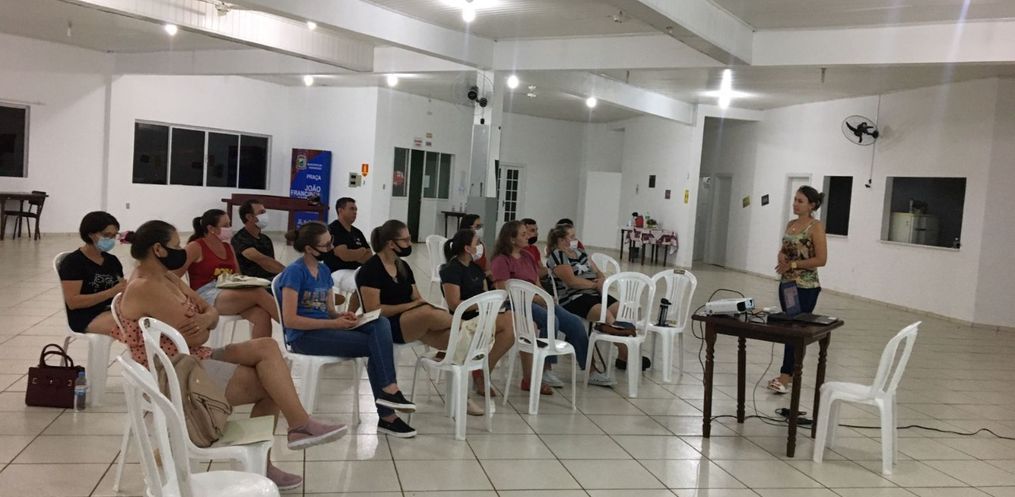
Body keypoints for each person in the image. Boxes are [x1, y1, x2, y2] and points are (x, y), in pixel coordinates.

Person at [116, 220, 348, 490]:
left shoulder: (166, 277)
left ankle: (299, 424)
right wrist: (205, 320)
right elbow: (196, 335)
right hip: (176, 371)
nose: (181, 251)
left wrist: (206, 318)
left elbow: (208, 312)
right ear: (158, 249)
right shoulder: (144, 286)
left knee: (267, 347)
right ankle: (274, 454)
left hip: (192, 356)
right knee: (272, 384)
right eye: (176, 246)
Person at [279, 222, 417, 437]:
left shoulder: (323, 270)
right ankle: (388, 410)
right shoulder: (294, 273)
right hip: (304, 337)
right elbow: (290, 320)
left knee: (380, 323)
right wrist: (332, 323)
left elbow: (329, 311)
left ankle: (389, 396)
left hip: (326, 330)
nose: (331, 248)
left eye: (331, 242)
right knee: (377, 345)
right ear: (309, 249)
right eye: (326, 245)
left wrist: (341, 317)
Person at [490, 220, 614, 394]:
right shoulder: (501, 260)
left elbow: (536, 283)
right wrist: (536, 298)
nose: (528, 237)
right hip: (516, 302)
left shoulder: (527, 257)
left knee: (574, 323)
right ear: (511, 239)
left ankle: (590, 370)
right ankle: (546, 369)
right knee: (551, 320)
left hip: (535, 299)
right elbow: (504, 291)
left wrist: (545, 297)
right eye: (523, 234)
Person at [546, 224, 650, 372]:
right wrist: (594, 285)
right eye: (572, 237)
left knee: (623, 311)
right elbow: (571, 281)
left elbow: (598, 273)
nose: (576, 239)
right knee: (605, 314)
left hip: (595, 293)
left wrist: (601, 281)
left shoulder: (580, 253)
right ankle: (630, 354)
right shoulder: (558, 256)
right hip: (574, 297)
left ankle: (623, 356)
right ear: (561, 240)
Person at [441, 228, 519, 413]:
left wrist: (490, 283)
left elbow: (486, 291)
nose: (481, 246)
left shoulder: (476, 268)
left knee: (514, 323)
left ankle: (483, 370)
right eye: (477, 243)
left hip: (483, 314)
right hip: (465, 319)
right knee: (511, 322)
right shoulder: (451, 269)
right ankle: (481, 373)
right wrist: (482, 304)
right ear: (467, 248)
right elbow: (454, 304)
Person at [175, 209, 279, 339]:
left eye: (229, 224)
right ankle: (292, 329)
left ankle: (262, 349)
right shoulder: (196, 247)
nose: (229, 228)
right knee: (257, 292)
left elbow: (237, 275)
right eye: (225, 225)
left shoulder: (228, 247)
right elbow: (175, 275)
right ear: (211, 229)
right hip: (206, 294)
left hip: (228, 288)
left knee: (261, 313)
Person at [768, 186, 828, 394]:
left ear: (812, 205)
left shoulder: (815, 227)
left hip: (806, 287)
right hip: (787, 283)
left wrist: (793, 265)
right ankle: (790, 372)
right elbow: (785, 249)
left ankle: (786, 375)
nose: (795, 204)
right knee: (788, 328)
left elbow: (821, 259)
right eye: (795, 200)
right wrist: (781, 256)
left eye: (800, 201)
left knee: (795, 330)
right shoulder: (790, 224)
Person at [357, 220, 451, 349]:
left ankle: (470, 334)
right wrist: (410, 306)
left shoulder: (403, 266)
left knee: (455, 336)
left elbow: (417, 298)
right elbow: (373, 311)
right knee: (428, 314)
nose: (410, 244)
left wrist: (418, 306)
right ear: (391, 244)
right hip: (385, 323)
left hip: (409, 319)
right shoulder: (371, 269)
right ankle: (468, 325)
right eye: (405, 240)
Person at [58, 211, 125, 335]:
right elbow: (73, 302)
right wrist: (111, 292)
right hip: (85, 316)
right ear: (90, 234)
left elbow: (121, 289)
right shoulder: (73, 262)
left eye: (114, 236)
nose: (111, 240)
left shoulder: (112, 260)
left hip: (110, 310)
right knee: (132, 327)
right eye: (106, 235)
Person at [321, 197, 372, 310]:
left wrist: (353, 255)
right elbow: (344, 255)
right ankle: (349, 316)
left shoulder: (357, 232)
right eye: (351, 209)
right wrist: (361, 251)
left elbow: (369, 256)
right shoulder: (333, 229)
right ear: (340, 210)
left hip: (357, 270)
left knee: (377, 282)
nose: (355, 212)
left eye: (356, 209)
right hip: (338, 271)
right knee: (364, 285)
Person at [232, 199, 285, 280]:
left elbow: (272, 263)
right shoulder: (239, 239)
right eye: (261, 212)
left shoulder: (265, 239)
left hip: (270, 279)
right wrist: (288, 272)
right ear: (249, 217)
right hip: (252, 282)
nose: (265, 215)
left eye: (265, 212)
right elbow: (263, 261)